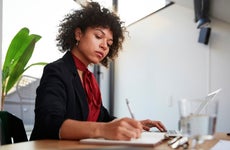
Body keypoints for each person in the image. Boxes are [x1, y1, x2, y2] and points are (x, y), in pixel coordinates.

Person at [30, 1, 166, 141]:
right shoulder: (56, 70)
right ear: (78, 34)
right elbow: (49, 123)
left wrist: (132, 125)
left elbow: (103, 118)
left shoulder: (90, 79)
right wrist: (102, 129)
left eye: (109, 43)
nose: (104, 46)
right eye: (98, 36)